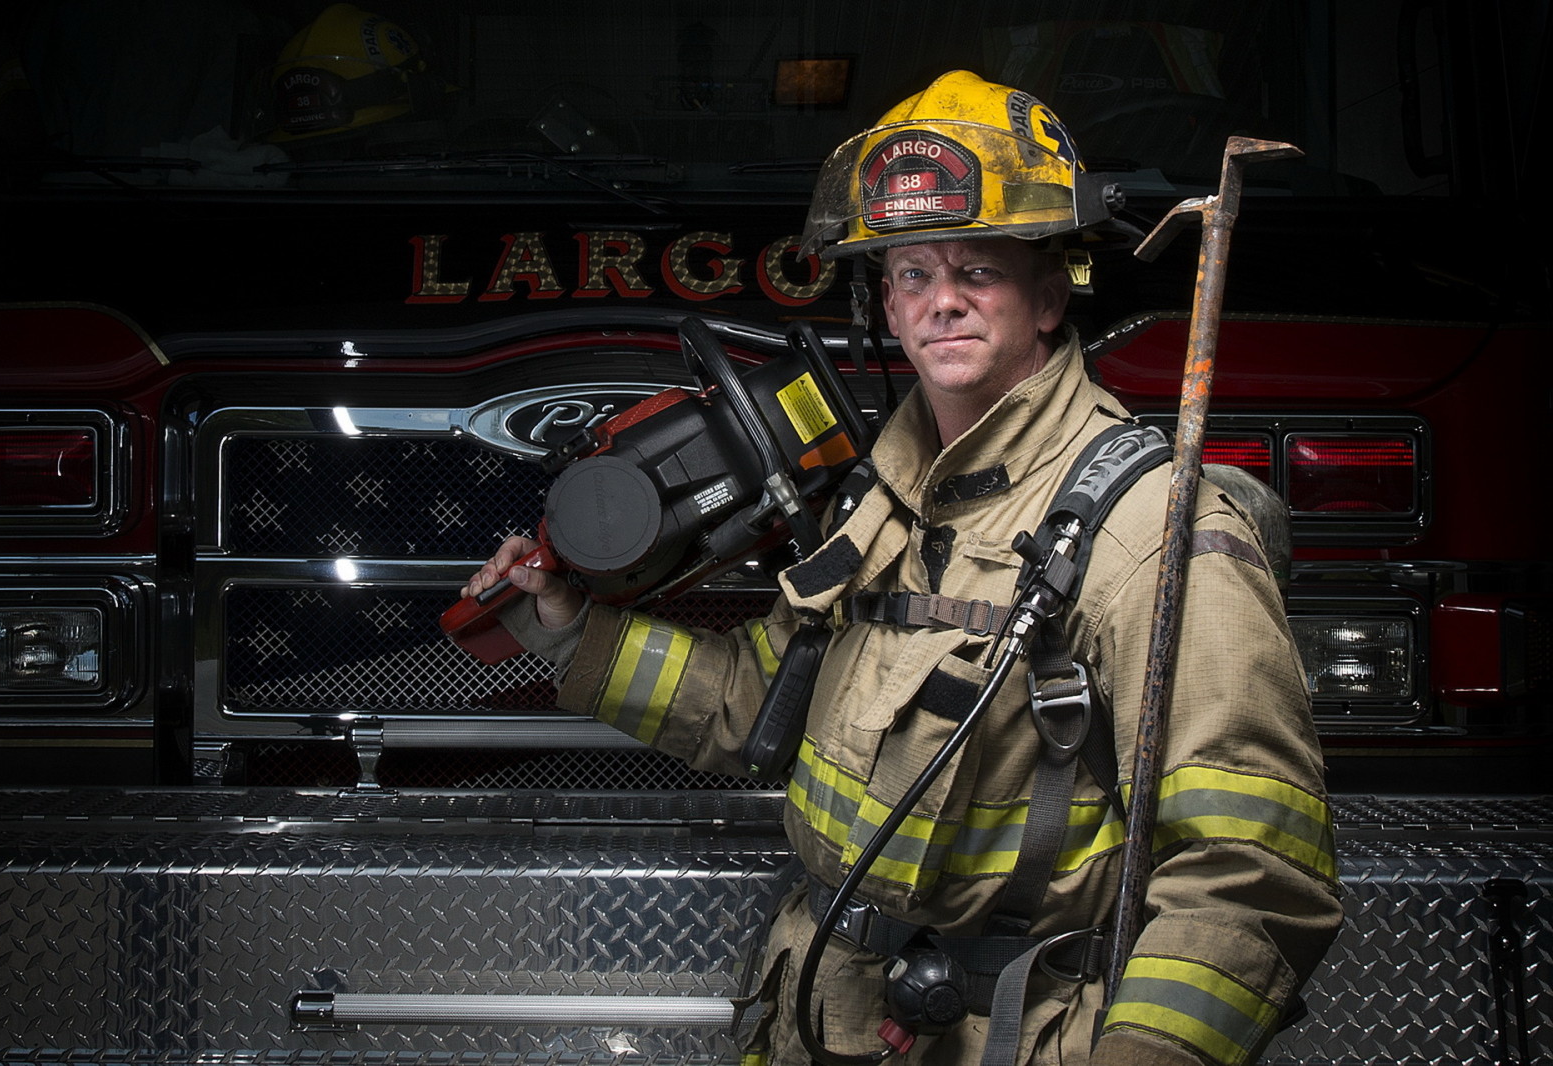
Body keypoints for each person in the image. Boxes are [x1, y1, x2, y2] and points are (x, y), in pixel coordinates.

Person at [462, 70, 1341, 1066]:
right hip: (823, 1016)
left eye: (980, 270)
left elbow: (1249, 869)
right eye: (915, 274)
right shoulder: (883, 493)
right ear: (884, 298)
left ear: (1051, 294)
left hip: (1012, 1033)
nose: (942, 302)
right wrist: (573, 626)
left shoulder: (1152, 529)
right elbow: (761, 701)